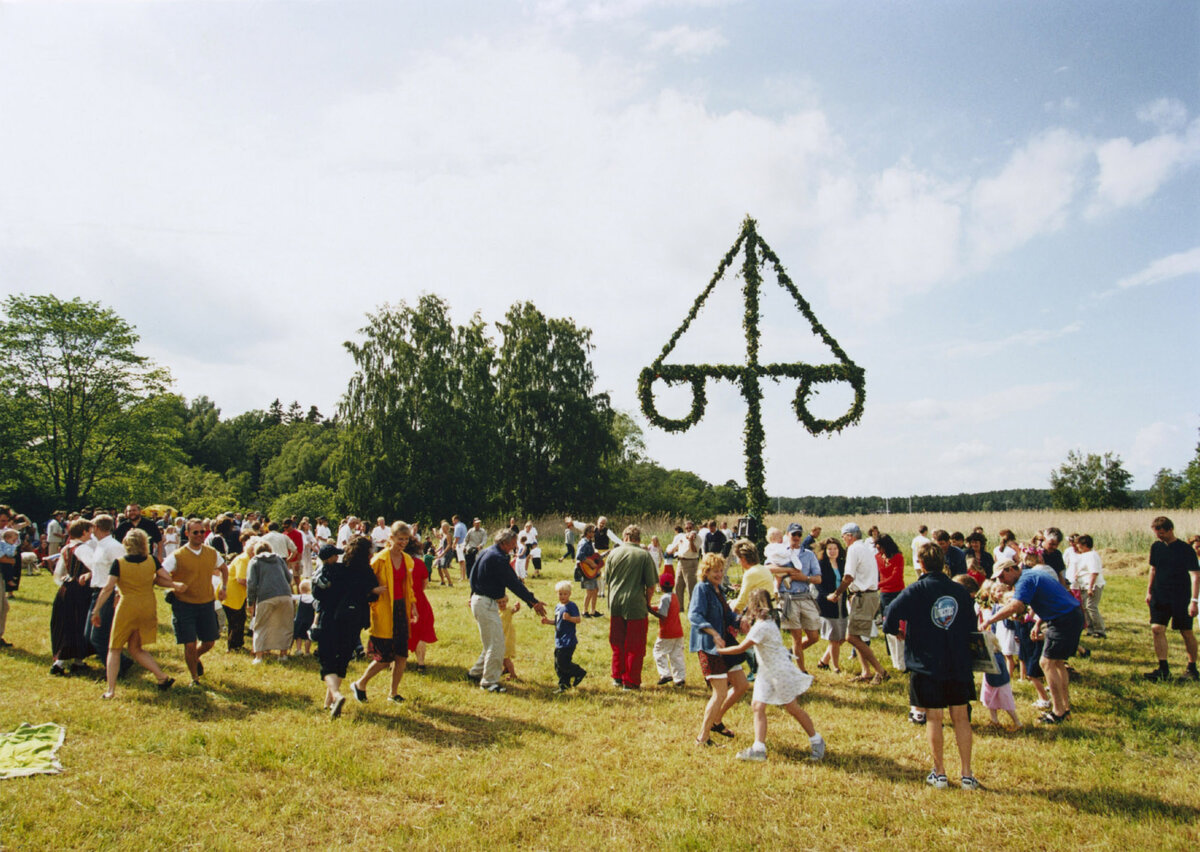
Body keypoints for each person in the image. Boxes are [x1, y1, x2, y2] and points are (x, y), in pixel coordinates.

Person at [883, 543, 979, 790]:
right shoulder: (959, 590)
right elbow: (972, 625)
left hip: (927, 665)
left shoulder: (915, 590)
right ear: (944, 562)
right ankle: (967, 774)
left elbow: (889, 617)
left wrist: (899, 632)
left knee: (934, 718)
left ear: (921, 563)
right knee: (961, 717)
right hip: (957, 662)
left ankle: (940, 773)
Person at [717, 589, 825, 762]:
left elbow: (740, 648)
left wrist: (718, 650)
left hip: (779, 672)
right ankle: (759, 748)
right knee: (758, 706)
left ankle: (817, 740)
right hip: (767, 671)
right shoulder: (768, 622)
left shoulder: (761, 626)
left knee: (792, 708)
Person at [983, 553, 1084, 723]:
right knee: (1057, 663)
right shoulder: (1032, 574)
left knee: (1047, 663)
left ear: (1011, 569)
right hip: (1068, 616)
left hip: (1063, 619)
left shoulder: (1024, 580)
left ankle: (1058, 712)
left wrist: (989, 620)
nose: (1002, 581)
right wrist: (1038, 623)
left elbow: (1017, 605)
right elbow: (1049, 598)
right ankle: (1065, 708)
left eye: (1002, 576)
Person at [89, 529, 182, 698]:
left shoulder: (119, 563)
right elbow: (165, 578)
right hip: (147, 605)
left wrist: (96, 610)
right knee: (135, 648)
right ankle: (162, 677)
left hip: (127, 606)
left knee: (114, 649)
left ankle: (110, 690)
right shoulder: (152, 560)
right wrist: (175, 585)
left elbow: (108, 588)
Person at [467, 529, 547, 692]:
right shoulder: (497, 558)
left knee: (491, 642)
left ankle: (475, 673)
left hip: (479, 600)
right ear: (504, 543)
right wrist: (533, 602)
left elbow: (473, 574)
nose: (515, 545)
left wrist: (471, 595)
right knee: (497, 644)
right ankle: (489, 682)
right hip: (486, 603)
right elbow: (514, 583)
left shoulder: (487, 551)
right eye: (513, 543)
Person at [313, 538, 382, 719]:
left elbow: (318, 593)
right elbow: (373, 596)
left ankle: (336, 696)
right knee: (342, 659)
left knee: (327, 661)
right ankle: (328, 703)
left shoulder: (336, 569)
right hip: (355, 619)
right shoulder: (367, 572)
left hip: (331, 617)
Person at [351, 521, 417, 704]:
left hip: (401, 609)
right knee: (384, 658)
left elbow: (409, 587)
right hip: (383, 610)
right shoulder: (378, 560)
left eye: (406, 539)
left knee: (402, 655)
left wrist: (413, 606)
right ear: (391, 538)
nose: (403, 542)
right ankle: (360, 684)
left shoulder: (407, 560)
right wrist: (372, 591)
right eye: (400, 539)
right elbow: (362, 584)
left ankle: (393, 693)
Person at [689, 552, 749, 746]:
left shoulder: (718, 589)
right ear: (706, 571)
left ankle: (716, 721)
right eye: (715, 571)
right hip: (709, 646)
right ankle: (702, 737)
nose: (719, 574)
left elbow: (728, 615)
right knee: (720, 693)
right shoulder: (702, 589)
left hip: (725, 643)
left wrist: (741, 621)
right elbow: (695, 615)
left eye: (721, 570)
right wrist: (713, 633)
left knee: (741, 685)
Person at [162, 519, 228, 686]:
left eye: (202, 532)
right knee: (189, 644)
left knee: (209, 641)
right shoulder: (178, 555)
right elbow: (160, 575)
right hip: (184, 605)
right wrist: (173, 584)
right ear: (187, 534)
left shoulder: (211, 552)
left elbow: (224, 568)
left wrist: (224, 587)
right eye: (195, 532)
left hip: (206, 602)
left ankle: (195, 657)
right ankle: (195, 678)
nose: (199, 535)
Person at [829, 523, 888, 684]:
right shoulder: (866, 548)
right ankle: (866, 672)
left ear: (849, 535)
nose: (843, 540)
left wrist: (836, 593)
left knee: (852, 637)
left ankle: (880, 671)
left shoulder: (854, 549)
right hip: (868, 596)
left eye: (843, 537)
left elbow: (848, 577)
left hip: (863, 597)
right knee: (857, 636)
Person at [1143, 516, 1200, 682]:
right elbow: (1152, 569)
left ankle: (1192, 668)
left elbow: (1195, 576)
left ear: (1170, 530)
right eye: (1156, 534)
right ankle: (1163, 669)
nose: (1158, 537)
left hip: (1181, 598)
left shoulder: (1185, 550)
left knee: (1186, 632)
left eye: (1161, 533)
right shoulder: (1156, 547)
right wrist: (1149, 591)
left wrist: (1194, 601)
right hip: (1160, 596)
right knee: (1157, 629)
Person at [605, 524, 659, 690]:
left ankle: (617, 676)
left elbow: (607, 580)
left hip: (614, 603)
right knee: (635, 645)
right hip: (635, 604)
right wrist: (648, 603)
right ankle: (630, 681)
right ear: (638, 538)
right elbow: (651, 585)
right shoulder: (644, 555)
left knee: (617, 641)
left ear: (625, 537)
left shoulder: (613, 553)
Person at [78, 514, 133, 676]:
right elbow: (103, 568)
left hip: (108, 593)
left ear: (96, 527)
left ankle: (118, 669)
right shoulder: (100, 545)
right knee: (89, 635)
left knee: (98, 637)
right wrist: (89, 576)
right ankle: (121, 662)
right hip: (98, 591)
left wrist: (117, 593)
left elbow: (122, 570)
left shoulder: (113, 546)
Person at [772, 524, 823, 673]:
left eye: (799, 535)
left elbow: (818, 579)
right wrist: (787, 570)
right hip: (787, 598)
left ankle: (788, 654)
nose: (796, 538)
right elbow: (768, 567)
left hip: (805, 597)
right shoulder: (780, 553)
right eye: (793, 534)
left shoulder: (808, 554)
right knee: (797, 637)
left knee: (814, 636)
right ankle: (801, 671)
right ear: (787, 535)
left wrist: (804, 578)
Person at [49, 518, 95, 676]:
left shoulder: (67, 547)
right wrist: (89, 574)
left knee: (72, 623)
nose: (91, 534)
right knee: (75, 623)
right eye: (89, 531)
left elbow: (60, 572)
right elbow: (94, 566)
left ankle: (78, 661)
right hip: (79, 591)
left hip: (67, 588)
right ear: (83, 532)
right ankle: (59, 663)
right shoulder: (83, 549)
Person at [542, 580, 585, 693]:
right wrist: (548, 621)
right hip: (559, 640)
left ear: (569, 594)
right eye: (560, 594)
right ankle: (564, 685)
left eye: (565, 594)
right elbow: (557, 622)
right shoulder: (558, 607)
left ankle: (578, 672)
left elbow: (578, 620)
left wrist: (570, 618)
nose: (562, 596)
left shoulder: (571, 606)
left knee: (563, 663)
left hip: (568, 641)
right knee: (558, 664)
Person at [815, 537, 848, 673]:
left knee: (842, 636)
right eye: (830, 549)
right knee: (834, 637)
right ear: (825, 550)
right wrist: (827, 596)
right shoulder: (821, 564)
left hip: (841, 602)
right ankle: (836, 667)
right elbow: (818, 584)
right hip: (827, 603)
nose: (833, 551)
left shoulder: (843, 563)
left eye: (835, 549)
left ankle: (824, 661)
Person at [404, 537, 436, 672]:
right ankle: (421, 663)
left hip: (403, 601)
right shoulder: (419, 563)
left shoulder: (399, 563)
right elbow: (424, 584)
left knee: (401, 632)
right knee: (421, 632)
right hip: (419, 600)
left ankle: (399, 662)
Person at [650, 572, 685, 687]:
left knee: (658, 652)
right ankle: (680, 679)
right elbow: (667, 609)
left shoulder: (665, 598)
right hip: (678, 631)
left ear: (661, 586)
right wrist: (654, 608)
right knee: (676, 655)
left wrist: (650, 611)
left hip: (667, 632)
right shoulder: (674, 596)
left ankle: (665, 674)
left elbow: (663, 615)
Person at [1072, 534, 1106, 639]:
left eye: (1079, 544)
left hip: (1092, 585)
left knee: (1091, 607)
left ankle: (1100, 630)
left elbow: (1094, 572)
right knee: (1085, 608)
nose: (1077, 547)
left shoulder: (1092, 555)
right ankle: (1091, 629)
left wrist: (1090, 587)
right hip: (1083, 585)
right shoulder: (1085, 555)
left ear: (1085, 544)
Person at [666, 520, 701, 607]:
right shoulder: (683, 537)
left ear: (693, 528)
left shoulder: (697, 537)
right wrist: (670, 550)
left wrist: (691, 541)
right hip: (680, 562)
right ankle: (679, 607)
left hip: (690, 562)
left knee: (691, 586)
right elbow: (674, 548)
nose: (688, 530)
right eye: (686, 528)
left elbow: (694, 550)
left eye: (690, 528)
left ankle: (692, 607)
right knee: (678, 585)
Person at [575, 524, 603, 618]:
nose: (594, 533)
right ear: (587, 532)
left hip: (591, 571)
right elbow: (579, 556)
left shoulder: (590, 542)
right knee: (590, 591)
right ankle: (584, 611)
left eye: (594, 531)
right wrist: (591, 563)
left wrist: (596, 568)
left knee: (595, 589)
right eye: (592, 531)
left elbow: (592, 556)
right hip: (585, 570)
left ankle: (593, 611)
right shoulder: (584, 542)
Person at [499, 595, 521, 680]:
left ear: (507, 602)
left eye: (504, 602)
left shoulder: (508, 610)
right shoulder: (496, 611)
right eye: (499, 602)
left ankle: (513, 675)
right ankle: (506, 669)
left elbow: (514, 610)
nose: (502, 604)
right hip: (500, 637)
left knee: (505, 658)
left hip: (507, 638)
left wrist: (517, 607)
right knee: (502, 657)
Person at [292, 579, 316, 656]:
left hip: (299, 620)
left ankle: (298, 650)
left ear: (300, 589)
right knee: (307, 637)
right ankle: (307, 651)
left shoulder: (301, 597)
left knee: (298, 636)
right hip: (309, 620)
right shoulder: (313, 598)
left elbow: (292, 597)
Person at [453, 515, 468, 580]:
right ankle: (463, 576)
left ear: (456, 520)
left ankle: (462, 577)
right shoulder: (463, 525)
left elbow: (457, 537)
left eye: (453, 521)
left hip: (460, 544)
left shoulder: (457, 526)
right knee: (462, 560)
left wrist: (453, 544)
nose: (453, 522)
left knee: (461, 561)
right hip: (464, 543)